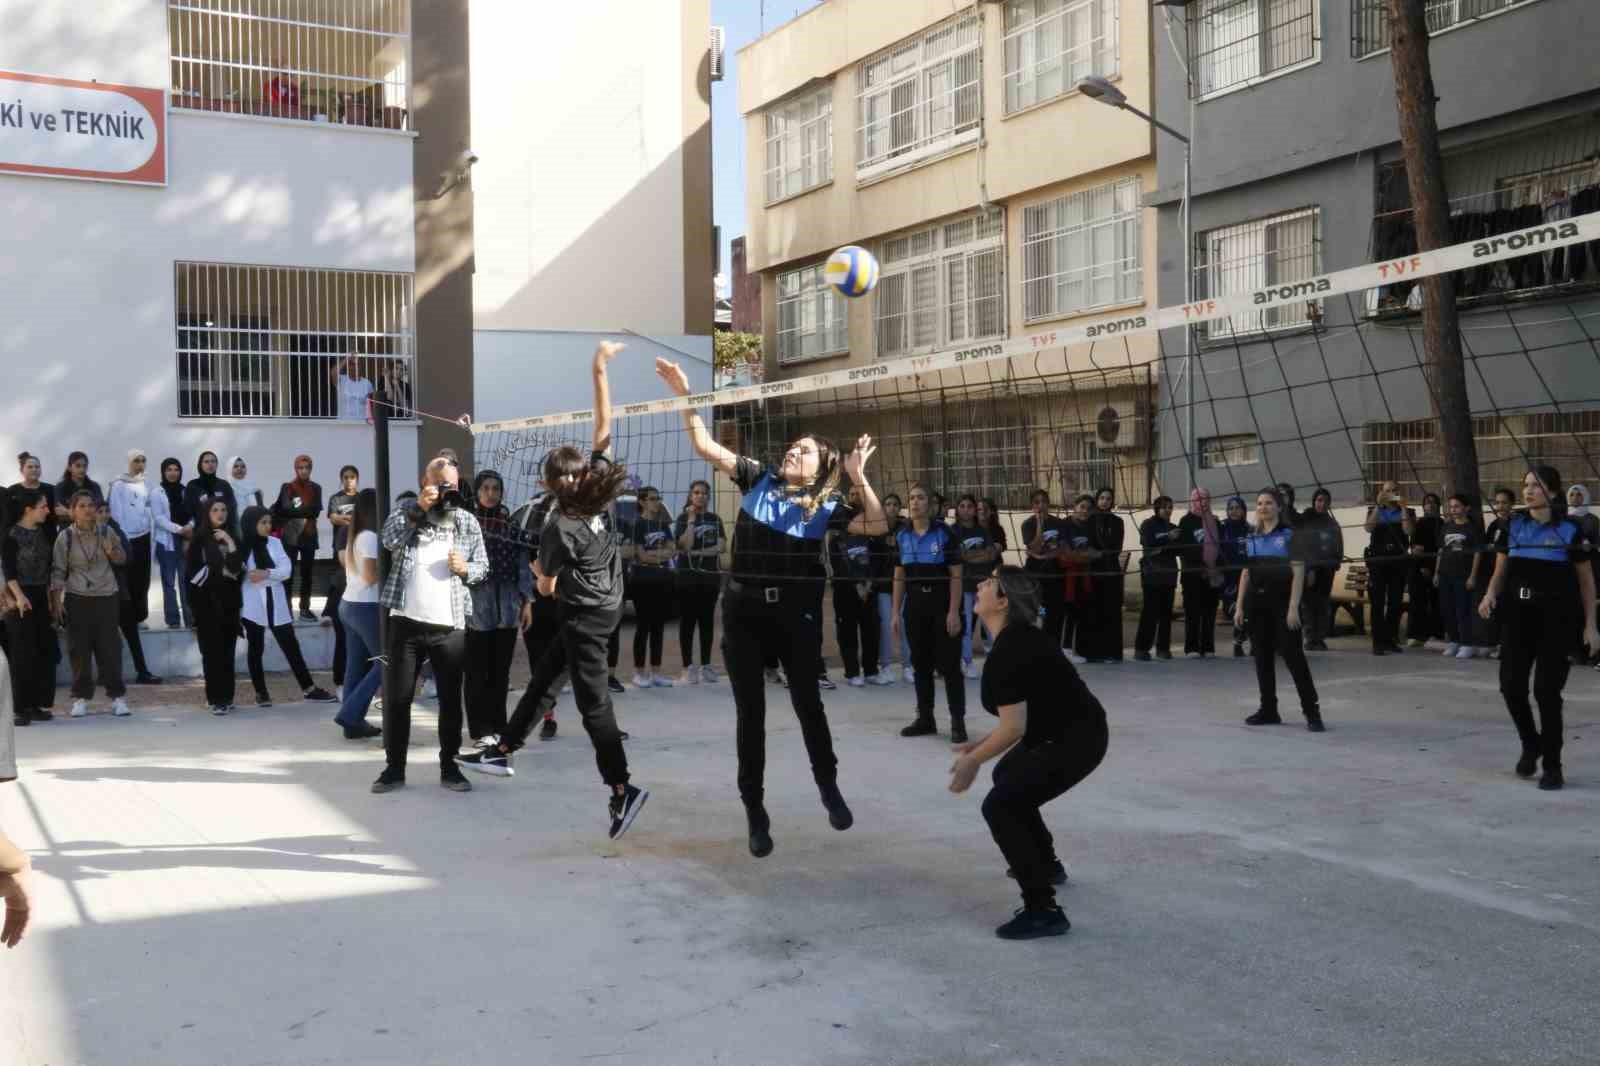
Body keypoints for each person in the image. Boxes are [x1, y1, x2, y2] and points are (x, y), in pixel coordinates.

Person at [656, 352, 884, 858]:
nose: (792, 453)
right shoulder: (758, 479)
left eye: (803, 451)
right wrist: (685, 395)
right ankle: (755, 811)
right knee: (750, 716)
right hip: (742, 613)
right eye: (793, 447)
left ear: (822, 466)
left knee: (809, 705)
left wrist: (857, 475)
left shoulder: (826, 507)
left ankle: (827, 786)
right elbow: (703, 445)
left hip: (794, 616)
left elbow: (877, 525)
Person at [463, 342, 649, 841]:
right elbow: (605, 429)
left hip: (586, 615)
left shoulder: (554, 526)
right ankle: (502, 752)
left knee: (594, 709)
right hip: (600, 607)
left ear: (548, 483)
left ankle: (621, 789)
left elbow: (544, 587)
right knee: (544, 679)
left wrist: (537, 567)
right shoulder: (598, 493)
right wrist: (598, 369)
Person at [949, 567, 1107, 941]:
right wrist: (981, 746)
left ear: (1003, 601)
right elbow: (1017, 717)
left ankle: (1044, 908)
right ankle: (1046, 864)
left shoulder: (1013, 645)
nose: (980, 585)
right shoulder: (1013, 640)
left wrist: (972, 761)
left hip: (1075, 740)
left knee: (1000, 805)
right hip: (1063, 732)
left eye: (989, 583)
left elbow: (1014, 728)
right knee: (1008, 777)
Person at [371, 454, 489, 795]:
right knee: (398, 699)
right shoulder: (409, 508)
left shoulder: (466, 520)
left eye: (450, 485)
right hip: (406, 621)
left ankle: (450, 767)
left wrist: (466, 568)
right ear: (426, 482)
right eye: (439, 484)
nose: (445, 491)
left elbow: (483, 566)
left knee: (450, 701)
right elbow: (389, 539)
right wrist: (418, 509)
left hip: (449, 625)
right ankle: (394, 768)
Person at [1478, 466, 1598, 790]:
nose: (1528, 491)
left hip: (1557, 621)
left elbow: (1587, 582)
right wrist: (1490, 594)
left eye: (1536, 485)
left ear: (1554, 492)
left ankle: (1553, 766)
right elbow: (1501, 570)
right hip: (1519, 618)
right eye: (1526, 485)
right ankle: (1531, 743)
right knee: (1511, 686)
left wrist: (1591, 626)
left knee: (1546, 692)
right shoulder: (1513, 525)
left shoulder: (1571, 530)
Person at [1235, 489, 1323, 731]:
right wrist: (1240, 605)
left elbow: (1298, 571)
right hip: (1256, 603)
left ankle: (1312, 712)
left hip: (1282, 604)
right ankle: (1268, 710)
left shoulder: (1289, 535)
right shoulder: (1252, 536)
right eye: (1260, 503)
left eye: (1269, 503)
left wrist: (1293, 607)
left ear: (1279, 507)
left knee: (1293, 657)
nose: (1263, 507)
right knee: (1262, 657)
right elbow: (1245, 572)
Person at [235, 506, 337, 708]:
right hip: (253, 604)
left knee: (291, 646)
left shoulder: (274, 543)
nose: (267, 526)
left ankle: (308, 688)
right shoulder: (242, 547)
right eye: (262, 523)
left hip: (277, 602)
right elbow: (240, 573)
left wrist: (266, 574)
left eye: (268, 522)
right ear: (250, 523)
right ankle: (261, 692)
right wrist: (259, 574)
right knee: (256, 648)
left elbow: (287, 570)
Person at [893, 484, 966, 742]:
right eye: (911, 498)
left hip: (942, 605)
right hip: (915, 608)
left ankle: (958, 721)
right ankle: (926, 719)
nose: (915, 502)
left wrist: (954, 612)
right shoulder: (901, 535)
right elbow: (899, 576)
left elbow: (956, 575)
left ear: (931, 504)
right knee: (920, 665)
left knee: (949, 667)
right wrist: (894, 612)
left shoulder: (945, 534)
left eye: (920, 498)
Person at [50, 491, 129, 719]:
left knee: (110, 648)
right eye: (82, 506)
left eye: (91, 505)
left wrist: (110, 550)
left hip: (106, 596)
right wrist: (56, 601)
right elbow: (58, 571)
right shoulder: (65, 537)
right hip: (77, 597)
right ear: (73, 510)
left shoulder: (107, 530)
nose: (88, 510)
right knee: (79, 650)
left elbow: (122, 559)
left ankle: (117, 697)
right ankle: (81, 698)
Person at [463, 469, 525, 744]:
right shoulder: (467, 523)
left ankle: (499, 725)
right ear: (477, 492)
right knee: (477, 670)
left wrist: (528, 602)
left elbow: (523, 564)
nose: (491, 493)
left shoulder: (510, 524)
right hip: (478, 603)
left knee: (501, 671)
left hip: (508, 605)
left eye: (495, 488)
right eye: (485, 488)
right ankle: (479, 729)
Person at [3, 489, 58, 724]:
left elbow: (51, 567)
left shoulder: (45, 532)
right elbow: (9, 571)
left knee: (42, 651)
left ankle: (37, 703)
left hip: (40, 595)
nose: (48, 510)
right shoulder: (11, 536)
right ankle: (20, 708)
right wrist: (19, 597)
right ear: (29, 510)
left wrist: (53, 599)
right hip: (20, 598)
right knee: (22, 654)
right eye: (43, 506)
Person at [334, 488, 384, 739]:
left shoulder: (357, 535)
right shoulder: (370, 538)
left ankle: (352, 724)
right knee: (387, 661)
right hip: (365, 607)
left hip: (350, 605)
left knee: (356, 666)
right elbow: (370, 576)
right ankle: (351, 714)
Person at [107, 451, 160, 681]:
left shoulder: (148, 484)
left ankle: (141, 616)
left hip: (144, 537)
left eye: (142, 460)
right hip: (125, 539)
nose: (139, 464)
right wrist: (122, 539)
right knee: (126, 586)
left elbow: (152, 511)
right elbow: (117, 514)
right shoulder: (118, 485)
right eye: (136, 460)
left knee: (143, 580)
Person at [187, 499, 243, 714]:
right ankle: (216, 698)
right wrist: (222, 572)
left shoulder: (233, 537)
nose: (220, 513)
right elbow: (194, 575)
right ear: (207, 513)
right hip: (206, 605)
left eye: (224, 509)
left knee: (228, 653)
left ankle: (227, 697)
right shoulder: (199, 540)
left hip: (230, 605)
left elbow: (237, 571)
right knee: (212, 654)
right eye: (215, 510)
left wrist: (229, 542)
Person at [97, 500, 160, 686]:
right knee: (103, 637)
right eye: (100, 511)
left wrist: (114, 554)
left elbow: (128, 557)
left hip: (119, 591)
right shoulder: (87, 533)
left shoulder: (117, 531)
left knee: (131, 634)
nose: (103, 514)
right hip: (98, 593)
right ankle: (105, 675)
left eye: (106, 511)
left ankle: (142, 671)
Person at [826, 484, 882, 688]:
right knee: (847, 631)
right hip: (846, 590)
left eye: (858, 494)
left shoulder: (872, 528)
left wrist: (868, 583)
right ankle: (852, 672)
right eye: (851, 494)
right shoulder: (836, 534)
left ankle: (871, 671)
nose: (854, 497)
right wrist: (855, 584)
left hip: (869, 588)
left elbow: (878, 559)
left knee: (871, 630)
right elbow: (838, 563)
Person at [674, 479, 724, 685]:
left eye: (704, 493)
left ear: (708, 496)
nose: (700, 496)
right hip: (687, 577)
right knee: (687, 622)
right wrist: (692, 520)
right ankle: (688, 667)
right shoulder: (683, 518)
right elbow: (686, 545)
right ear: (690, 495)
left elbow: (721, 546)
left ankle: (706, 664)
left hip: (710, 577)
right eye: (696, 492)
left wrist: (697, 552)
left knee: (706, 622)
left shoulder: (715, 519)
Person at [625, 486, 676, 689]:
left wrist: (655, 557)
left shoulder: (663, 524)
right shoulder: (637, 525)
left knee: (658, 626)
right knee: (644, 625)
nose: (657, 502)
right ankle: (638, 672)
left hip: (661, 579)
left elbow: (672, 550)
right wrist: (660, 556)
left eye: (658, 498)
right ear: (642, 502)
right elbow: (640, 555)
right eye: (653, 499)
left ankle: (656, 672)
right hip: (642, 581)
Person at [324, 465, 361, 693]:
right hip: (345, 570)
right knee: (342, 632)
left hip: (361, 581)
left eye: (352, 477)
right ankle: (341, 682)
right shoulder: (336, 498)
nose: (349, 481)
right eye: (345, 477)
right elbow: (334, 518)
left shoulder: (367, 535)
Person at [272, 455, 323, 621]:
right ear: (296, 469)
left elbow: (315, 511)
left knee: (307, 574)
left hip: (309, 535)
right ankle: (286, 607)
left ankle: (305, 609)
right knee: (289, 573)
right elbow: (284, 509)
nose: (304, 470)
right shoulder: (287, 487)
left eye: (307, 467)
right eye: (301, 467)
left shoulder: (316, 487)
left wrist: (297, 511)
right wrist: (304, 511)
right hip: (291, 535)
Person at [1436, 492, 1486, 660]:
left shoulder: (1473, 528)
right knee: (1447, 609)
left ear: (1466, 508)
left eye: (1457, 506)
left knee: (1462, 609)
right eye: (1451, 507)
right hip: (1445, 574)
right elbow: (1441, 551)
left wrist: (1472, 576)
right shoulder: (1447, 526)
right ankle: (1454, 641)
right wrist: (1437, 572)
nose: (1453, 510)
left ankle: (1467, 643)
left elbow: (1478, 553)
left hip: (1462, 575)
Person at [1364, 481, 1411, 656]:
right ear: (1381, 492)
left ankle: (1390, 639)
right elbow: (1368, 528)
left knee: (1395, 602)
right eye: (1388, 491)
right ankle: (1378, 642)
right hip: (1378, 562)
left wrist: (1404, 507)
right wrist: (1378, 506)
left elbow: (1408, 531)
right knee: (1377, 603)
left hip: (1397, 562)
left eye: (1394, 491)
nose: (1391, 494)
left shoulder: (1407, 512)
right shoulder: (1374, 510)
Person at [1082, 487, 1127, 663]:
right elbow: (1088, 546)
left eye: (1108, 498)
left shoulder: (1117, 521)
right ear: (1097, 500)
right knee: (1094, 611)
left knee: (1112, 612)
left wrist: (1102, 552)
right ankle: (1095, 652)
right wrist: (1098, 553)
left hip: (1111, 571)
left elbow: (1116, 547)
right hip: (1093, 571)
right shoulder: (1089, 520)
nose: (1105, 501)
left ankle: (1113, 652)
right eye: (1101, 498)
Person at [951, 494, 993, 679]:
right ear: (957, 509)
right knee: (966, 626)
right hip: (965, 585)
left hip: (984, 584)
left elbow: (991, 555)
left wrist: (972, 555)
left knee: (991, 625)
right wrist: (979, 554)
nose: (966, 509)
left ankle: (997, 661)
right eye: (962, 505)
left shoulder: (982, 530)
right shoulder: (953, 531)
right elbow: (960, 557)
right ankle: (967, 662)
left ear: (975, 510)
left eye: (970, 506)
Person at [1133, 496, 1179, 661]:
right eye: (1164, 507)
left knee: (1166, 613)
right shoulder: (1148, 524)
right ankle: (1141, 648)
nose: (1168, 510)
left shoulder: (1174, 527)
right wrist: (1168, 538)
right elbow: (1148, 542)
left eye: (1170, 507)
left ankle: (1163, 648)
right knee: (1150, 612)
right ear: (1156, 508)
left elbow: (1176, 550)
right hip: (1152, 574)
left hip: (1169, 574)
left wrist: (1168, 542)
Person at [1177, 488, 1221, 658]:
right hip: (1193, 575)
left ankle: (1208, 646)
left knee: (1210, 612)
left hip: (1213, 574)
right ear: (1192, 501)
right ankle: (1192, 647)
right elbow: (1184, 549)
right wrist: (1201, 564)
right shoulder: (1186, 521)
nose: (1202, 502)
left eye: (1205, 499)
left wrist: (1214, 567)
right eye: (1198, 499)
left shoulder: (1214, 521)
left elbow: (1220, 546)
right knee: (1192, 612)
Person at [1298, 487, 1343, 651]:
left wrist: (1336, 561)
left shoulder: (1332, 523)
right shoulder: (1307, 521)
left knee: (1323, 604)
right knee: (1308, 604)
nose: (1322, 504)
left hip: (1327, 569)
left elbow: (1338, 544)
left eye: (1325, 501)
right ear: (1314, 502)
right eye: (1319, 500)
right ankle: (1310, 637)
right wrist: (1308, 568)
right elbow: (1302, 547)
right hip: (1311, 569)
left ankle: (1320, 637)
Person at [151, 458, 194, 628]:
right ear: (163, 471)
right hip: (167, 541)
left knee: (185, 580)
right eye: (169, 469)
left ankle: (190, 619)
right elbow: (159, 517)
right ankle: (173, 620)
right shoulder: (157, 492)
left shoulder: (186, 491)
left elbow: (195, 513)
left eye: (176, 469)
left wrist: (189, 527)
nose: (173, 473)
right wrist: (179, 529)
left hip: (186, 541)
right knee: (169, 582)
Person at [1021, 491, 1066, 652]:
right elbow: (1034, 547)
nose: (1041, 505)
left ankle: (1054, 647)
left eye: (1044, 502)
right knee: (1040, 611)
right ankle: (1038, 646)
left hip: (1055, 574)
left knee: (1056, 610)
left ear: (1048, 503)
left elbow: (1062, 547)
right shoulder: (1028, 524)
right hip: (1036, 576)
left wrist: (1043, 555)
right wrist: (1040, 524)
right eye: (1037, 502)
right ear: (1032, 506)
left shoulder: (1059, 523)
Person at [871, 493, 909, 683]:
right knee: (887, 625)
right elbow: (874, 558)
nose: (892, 507)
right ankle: (885, 666)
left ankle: (908, 666)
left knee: (904, 624)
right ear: (883, 507)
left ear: (899, 507)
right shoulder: (877, 529)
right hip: (884, 586)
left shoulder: (906, 528)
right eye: (888, 504)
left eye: (895, 504)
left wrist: (897, 549)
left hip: (903, 585)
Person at [1058, 495, 1094, 665]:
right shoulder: (1065, 525)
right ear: (1075, 507)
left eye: (1088, 508)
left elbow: (1094, 552)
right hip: (1066, 576)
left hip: (1082, 575)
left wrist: (1084, 556)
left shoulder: (1088, 527)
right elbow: (1067, 553)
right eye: (1082, 506)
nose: (1085, 511)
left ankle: (1072, 648)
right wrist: (1083, 556)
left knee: (1078, 612)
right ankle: (1064, 649)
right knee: (1067, 612)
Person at [1406, 493, 1444, 647]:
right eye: (1427, 502)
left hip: (1437, 568)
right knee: (1417, 601)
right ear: (1423, 506)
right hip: (1419, 568)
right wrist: (1423, 567)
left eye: (1434, 502)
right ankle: (1416, 634)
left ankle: (1436, 633)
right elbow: (1416, 548)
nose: (1431, 505)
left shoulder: (1442, 524)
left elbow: (1441, 548)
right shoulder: (1419, 524)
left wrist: (1435, 570)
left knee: (1437, 602)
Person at [1484, 487, 1516, 661]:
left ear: (1512, 504)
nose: (1500, 506)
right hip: (1494, 574)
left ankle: (1509, 646)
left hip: (1511, 575)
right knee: (1497, 610)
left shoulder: (1516, 523)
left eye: (1504, 502)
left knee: (1511, 610)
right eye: (1497, 502)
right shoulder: (1494, 525)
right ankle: (1499, 644)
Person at [976, 497, 1008, 654]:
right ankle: (982, 642)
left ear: (991, 511)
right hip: (975, 574)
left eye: (985, 509)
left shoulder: (997, 529)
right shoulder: (972, 529)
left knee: (995, 608)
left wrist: (978, 554)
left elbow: (995, 552)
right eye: (979, 509)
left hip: (993, 573)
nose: (982, 512)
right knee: (976, 611)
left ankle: (995, 641)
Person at [1219, 496, 1251, 657]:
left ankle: (1242, 643)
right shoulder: (1222, 528)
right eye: (1230, 508)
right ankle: (1239, 640)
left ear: (1243, 510)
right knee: (1234, 610)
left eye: (1237, 507)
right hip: (1228, 578)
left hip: (1247, 576)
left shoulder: (1250, 529)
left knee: (1248, 611)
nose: (1234, 511)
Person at [184, 452, 238, 542]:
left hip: (223, 533)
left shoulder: (224, 485)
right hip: (200, 533)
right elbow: (188, 510)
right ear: (200, 464)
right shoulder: (193, 485)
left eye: (213, 461)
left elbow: (232, 509)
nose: (210, 464)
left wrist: (231, 533)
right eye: (206, 461)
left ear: (217, 464)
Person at [8, 454, 57, 545]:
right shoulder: (12, 491)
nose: (34, 469)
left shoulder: (51, 489)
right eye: (30, 467)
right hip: (21, 542)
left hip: (48, 539)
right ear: (22, 470)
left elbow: (58, 512)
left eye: (37, 467)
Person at [53, 452, 102, 524]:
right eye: (78, 466)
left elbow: (99, 510)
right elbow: (59, 512)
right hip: (68, 529)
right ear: (69, 467)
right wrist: (87, 513)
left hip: (91, 528)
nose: (82, 469)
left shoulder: (95, 486)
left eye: (85, 466)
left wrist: (68, 512)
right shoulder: (60, 488)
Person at [331, 355, 375, 421]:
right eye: (352, 364)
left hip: (362, 423)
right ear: (348, 367)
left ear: (360, 367)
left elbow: (372, 404)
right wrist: (347, 358)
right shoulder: (342, 379)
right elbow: (333, 372)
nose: (355, 367)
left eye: (357, 365)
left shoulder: (367, 383)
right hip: (343, 423)